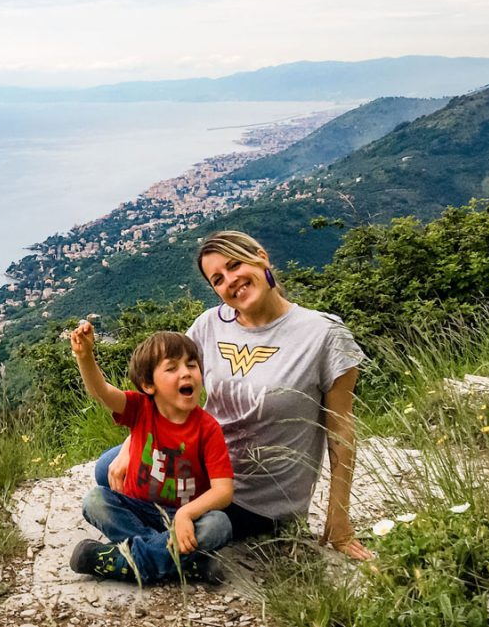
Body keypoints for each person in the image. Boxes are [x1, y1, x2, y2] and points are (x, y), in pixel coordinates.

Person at [98, 230, 372, 560]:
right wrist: (132, 445)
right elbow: (164, 395)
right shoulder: (210, 325)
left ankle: (135, 557)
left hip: (255, 496)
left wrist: (339, 519)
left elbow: (341, 429)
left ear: (261, 257)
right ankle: (175, 548)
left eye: (235, 265)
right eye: (218, 279)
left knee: (211, 525)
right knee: (108, 467)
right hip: (198, 465)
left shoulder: (323, 335)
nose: (231, 281)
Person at [68, 324, 234, 584]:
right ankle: (183, 561)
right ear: (148, 385)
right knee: (95, 500)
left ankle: (124, 561)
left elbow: (223, 491)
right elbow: (102, 392)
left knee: (219, 524)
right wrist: (85, 356)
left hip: (186, 515)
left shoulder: (207, 428)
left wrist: (185, 514)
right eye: (172, 368)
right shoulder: (140, 409)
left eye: (192, 365)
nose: (186, 373)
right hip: (140, 510)